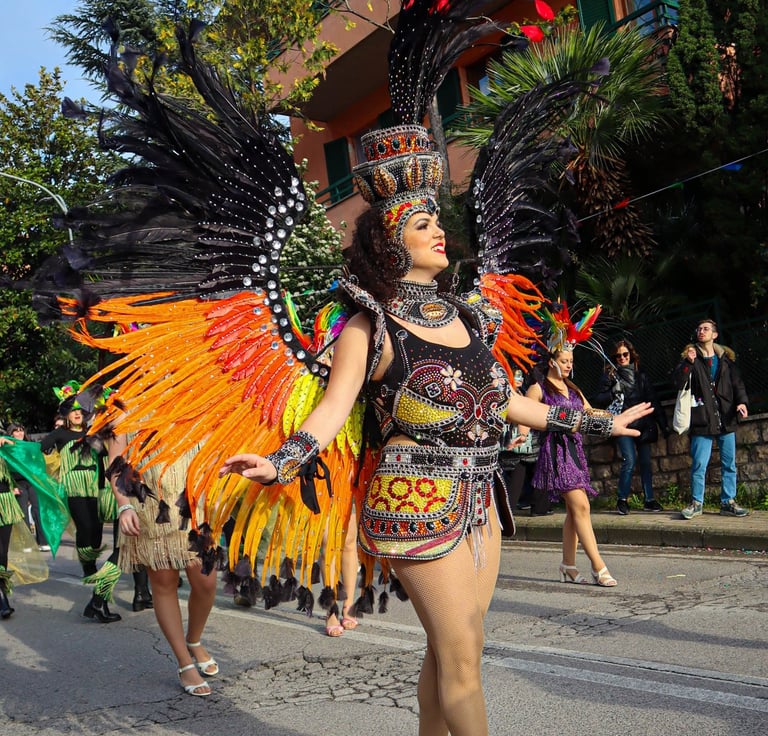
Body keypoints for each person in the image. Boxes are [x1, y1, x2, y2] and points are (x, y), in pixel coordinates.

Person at [218, 152, 649, 734]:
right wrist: (279, 462)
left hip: (481, 499)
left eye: (437, 222)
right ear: (391, 243)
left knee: (454, 646)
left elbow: (507, 402)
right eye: (423, 225)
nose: (440, 231)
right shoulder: (368, 324)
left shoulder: (469, 320)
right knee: (463, 658)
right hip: (415, 499)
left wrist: (598, 424)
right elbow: (332, 409)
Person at [108, 433, 218, 696]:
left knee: (206, 581)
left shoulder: (195, 396)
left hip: (195, 505)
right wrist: (124, 505)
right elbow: (116, 463)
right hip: (151, 507)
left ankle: (194, 639)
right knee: (164, 584)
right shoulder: (126, 411)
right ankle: (184, 662)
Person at [520, 322, 619, 588]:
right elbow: (525, 414)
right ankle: (599, 567)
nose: (568, 365)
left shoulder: (573, 389)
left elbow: (590, 413)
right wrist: (520, 431)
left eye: (570, 361)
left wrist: (616, 417)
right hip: (555, 453)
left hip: (575, 453)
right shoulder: (539, 389)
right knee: (582, 507)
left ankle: (568, 565)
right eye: (564, 360)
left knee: (574, 511)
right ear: (551, 361)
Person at [40, 382, 124, 621]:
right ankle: (90, 571)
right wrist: (9, 445)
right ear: (65, 413)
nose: (77, 413)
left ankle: (97, 585)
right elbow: (36, 449)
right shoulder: (60, 434)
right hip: (75, 489)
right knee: (86, 529)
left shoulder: (95, 433)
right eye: (72, 409)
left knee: (96, 534)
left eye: (80, 409)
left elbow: (113, 454)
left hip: (97, 489)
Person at [673, 318, 749, 519]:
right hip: (702, 419)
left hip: (726, 417)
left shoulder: (725, 360)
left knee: (729, 464)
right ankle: (696, 503)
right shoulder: (691, 358)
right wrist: (688, 364)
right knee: (699, 464)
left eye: (706, 329)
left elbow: (737, 384)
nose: (701, 331)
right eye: (699, 329)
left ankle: (728, 502)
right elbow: (679, 382)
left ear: (715, 334)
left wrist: (742, 403)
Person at [595, 340, 670, 514]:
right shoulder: (610, 376)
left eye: (625, 354)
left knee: (645, 462)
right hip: (623, 424)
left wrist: (663, 424)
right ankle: (622, 499)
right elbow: (598, 399)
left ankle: (649, 499)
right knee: (629, 460)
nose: (622, 358)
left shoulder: (640, 375)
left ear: (631, 355)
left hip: (643, 422)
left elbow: (652, 399)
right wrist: (613, 390)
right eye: (618, 355)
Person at [7, 423, 51, 551]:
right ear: (11, 434)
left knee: (38, 509)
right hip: (18, 482)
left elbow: (37, 463)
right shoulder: (7, 448)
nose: (20, 433)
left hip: (32, 481)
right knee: (23, 512)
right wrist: (11, 486)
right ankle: (26, 543)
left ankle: (43, 541)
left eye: (21, 431)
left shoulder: (29, 446)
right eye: (16, 431)